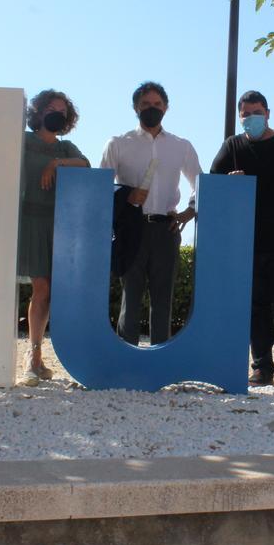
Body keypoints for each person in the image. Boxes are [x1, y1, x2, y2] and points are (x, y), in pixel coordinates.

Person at [101, 81, 201, 346]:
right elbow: (101, 187)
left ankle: (160, 358)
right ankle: (126, 358)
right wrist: (127, 194)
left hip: (166, 229)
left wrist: (189, 212)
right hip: (130, 228)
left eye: (157, 104)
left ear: (166, 108)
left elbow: (200, 184)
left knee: (163, 298)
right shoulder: (118, 143)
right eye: (145, 104)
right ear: (135, 107)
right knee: (130, 297)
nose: (151, 109)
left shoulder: (182, 146)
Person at [210, 90, 274, 389]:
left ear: (268, 113)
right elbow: (212, 184)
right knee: (256, 307)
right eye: (245, 114)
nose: (251, 119)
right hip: (248, 241)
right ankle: (261, 368)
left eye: (256, 112)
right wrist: (228, 185)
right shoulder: (232, 146)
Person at [17, 90, 90, 386]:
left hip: (58, 223)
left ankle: (38, 354)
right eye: (51, 108)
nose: (57, 113)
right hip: (29, 220)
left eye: (62, 110)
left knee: (50, 291)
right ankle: (32, 356)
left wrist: (56, 164)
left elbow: (85, 163)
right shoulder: (22, 140)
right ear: (39, 111)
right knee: (41, 286)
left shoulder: (66, 148)